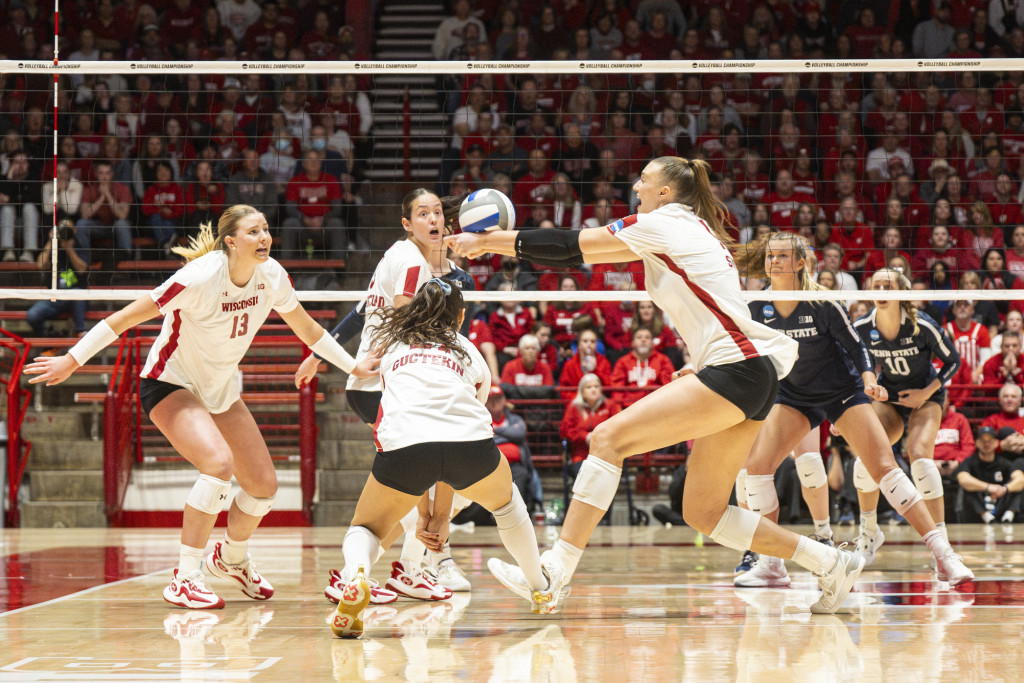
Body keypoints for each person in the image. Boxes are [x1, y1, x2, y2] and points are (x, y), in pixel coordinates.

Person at [448, 156, 865, 615]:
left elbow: (571, 247)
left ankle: (555, 572)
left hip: (738, 369)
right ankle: (829, 561)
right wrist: (699, 362)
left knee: (606, 439)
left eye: (644, 180)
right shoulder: (692, 227)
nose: (636, 186)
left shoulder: (664, 223)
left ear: (666, 192)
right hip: (748, 372)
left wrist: (489, 242)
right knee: (704, 514)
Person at [25, 204, 379, 609]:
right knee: (217, 464)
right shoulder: (199, 277)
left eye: (266, 229)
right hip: (168, 382)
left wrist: (352, 365)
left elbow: (308, 328)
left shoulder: (272, 276)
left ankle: (230, 560)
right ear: (230, 241)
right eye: (253, 232)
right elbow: (124, 317)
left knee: (264, 487)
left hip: (220, 389)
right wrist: (73, 358)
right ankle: (185, 576)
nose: (264, 237)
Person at [732, 234, 971, 587]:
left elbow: (857, 347)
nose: (774, 261)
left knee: (884, 467)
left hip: (841, 392)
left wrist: (869, 379)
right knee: (757, 468)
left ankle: (944, 556)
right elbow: (736, 345)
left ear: (800, 263)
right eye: (770, 256)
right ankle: (770, 564)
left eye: (782, 255)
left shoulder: (823, 304)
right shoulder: (755, 306)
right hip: (794, 394)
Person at [296, 189, 471, 599]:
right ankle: (420, 562)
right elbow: (407, 319)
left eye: (438, 214)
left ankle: (411, 564)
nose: (433, 219)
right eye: (422, 213)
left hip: (381, 384)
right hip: (385, 384)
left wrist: (317, 357)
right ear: (408, 225)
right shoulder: (412, 263)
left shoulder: (402, 257)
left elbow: (361, 310)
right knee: (426, 478)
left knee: (421, 481)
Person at [851, 268, 972, 581]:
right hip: (889, 397)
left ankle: (941, 545)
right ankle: (869, 531)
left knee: (919, 456)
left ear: (901, 292)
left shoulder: (923, 326)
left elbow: (953, 362)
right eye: (875, 285)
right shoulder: (863, 327)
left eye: (886, 285)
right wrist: (865, 393)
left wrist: (925, 393)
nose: (880, 289)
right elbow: (851, 368)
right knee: (867, 454)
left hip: (925, 397)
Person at [25, 221, 89, 337]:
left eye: (68, 229)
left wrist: (69, 248)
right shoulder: (54, 248)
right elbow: (41, 265)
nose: (65, 233)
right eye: (62, 230)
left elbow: (82, 269)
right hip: (55, 297)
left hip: (75, 298)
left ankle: (80, 331)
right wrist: (51, 241)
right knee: (32, 315)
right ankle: (48, 338)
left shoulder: (80, 244)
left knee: (78, 293)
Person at [956, 426, 1023, 523]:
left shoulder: (1004, 462)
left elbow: (1020, 479)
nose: (986, 444)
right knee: (967, 487)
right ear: (977, 443)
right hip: (979, 504)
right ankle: (985, 515)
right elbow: (963, 479)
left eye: (990, 441)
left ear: (996, 443)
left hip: (1000, 501)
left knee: (1017, 486)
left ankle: (1009, 514)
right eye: (983, 441)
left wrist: (1005, 489)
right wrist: (988, 487)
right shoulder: (969, 462)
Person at [560, 374, 621, 478]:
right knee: (586, 476)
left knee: (604, 477)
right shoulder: (574, 407)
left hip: (606, 456)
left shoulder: (610, 406)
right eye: (589, 387)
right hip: (580, 456)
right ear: (582, 392)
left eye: (596, 386)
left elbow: (619, 428)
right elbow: (565, 431)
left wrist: (600, 436)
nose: (594, 390)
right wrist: (585, 437)